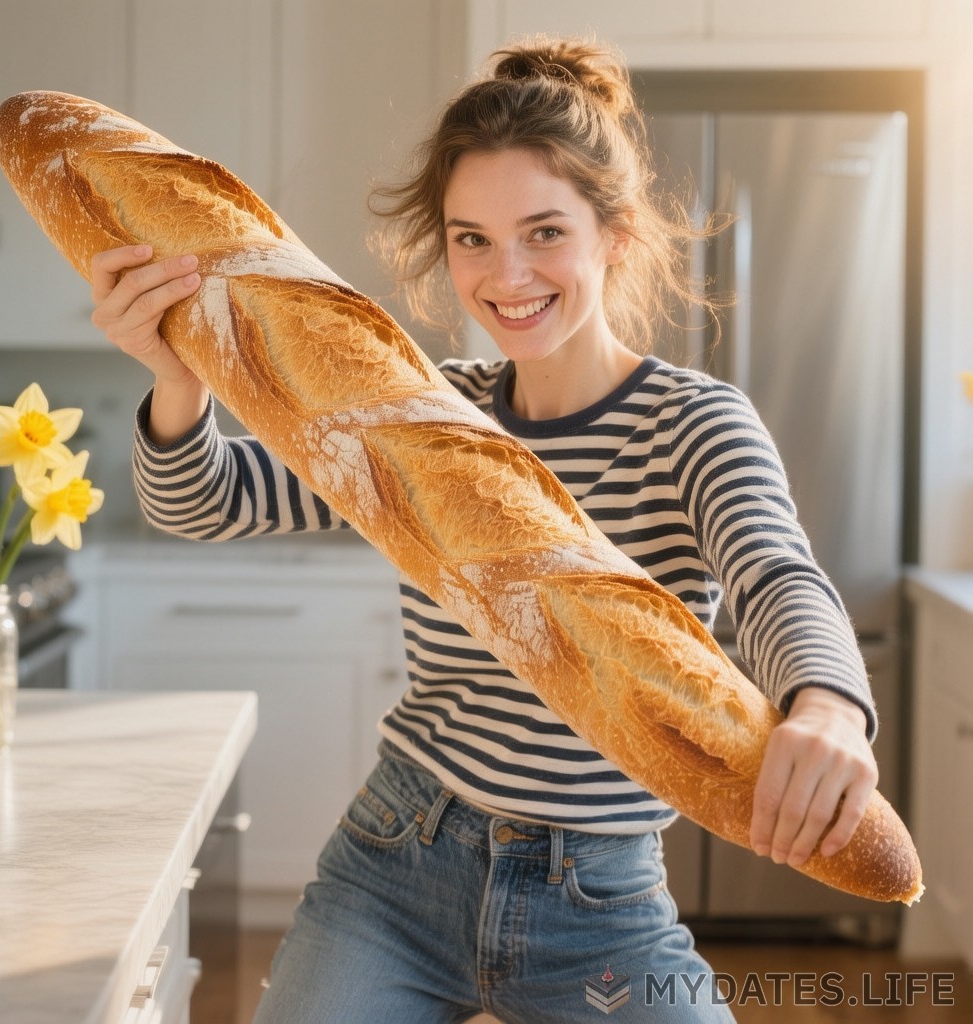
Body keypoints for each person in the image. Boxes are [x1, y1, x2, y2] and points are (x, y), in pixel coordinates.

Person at [90, 38, 878, 1023]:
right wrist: (178, 377)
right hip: (396, 862)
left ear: (614, 235)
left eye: (543, 232)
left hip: (598, 899)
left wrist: (826, 707)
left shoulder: (694, 423)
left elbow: (773, 573)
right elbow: (207, 502)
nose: (506, 275)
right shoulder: (428, 409)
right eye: (470, 238)